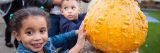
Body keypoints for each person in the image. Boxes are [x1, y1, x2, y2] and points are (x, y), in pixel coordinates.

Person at [10, 7, 86, 53]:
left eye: (42, 31)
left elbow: (62, 37)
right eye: (29, 32)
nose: (38, 38)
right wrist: (78, 46)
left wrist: (76, 32)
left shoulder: (46, 42)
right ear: (18, 35)